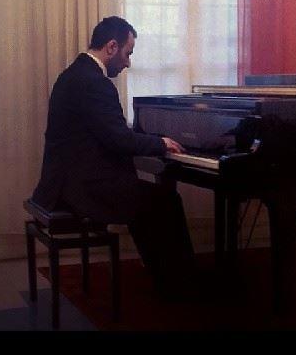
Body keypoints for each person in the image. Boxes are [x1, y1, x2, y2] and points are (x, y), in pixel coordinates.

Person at [31, 16, 197, 300]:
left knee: (145, 197)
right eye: (128, 53)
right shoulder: (95, 83)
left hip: (64, 181)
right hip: (81, 188)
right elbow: (118, 139)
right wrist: (160, 143)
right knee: (166, 200)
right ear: (111, 47)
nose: (128, 63)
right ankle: (180, 283)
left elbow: (106, 133)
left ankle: (163, 274)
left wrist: (146, 142)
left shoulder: (72, 75)